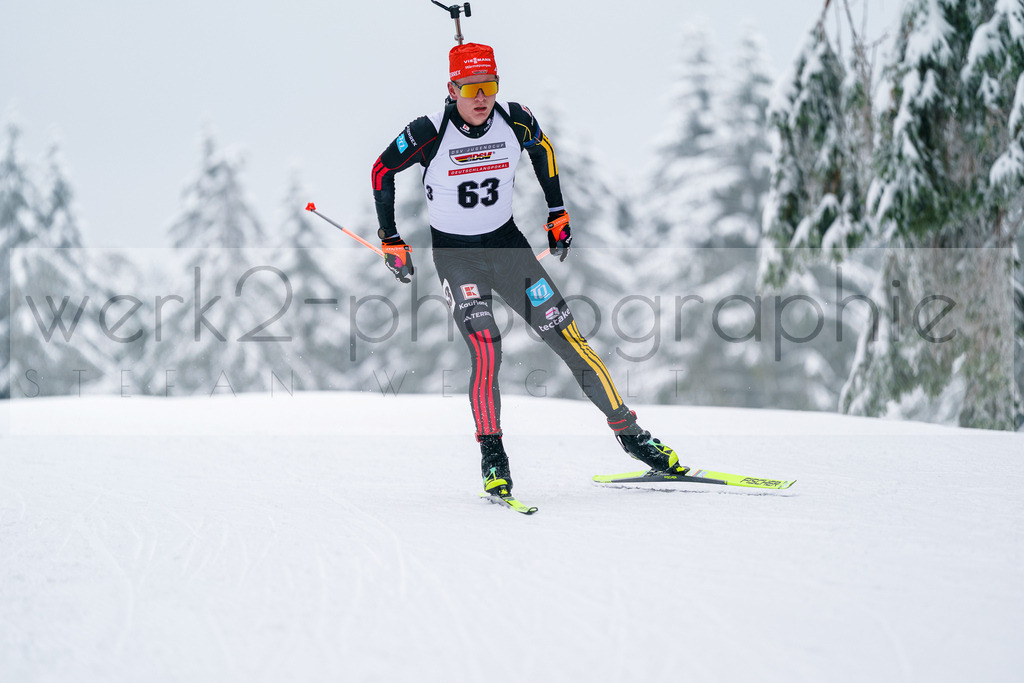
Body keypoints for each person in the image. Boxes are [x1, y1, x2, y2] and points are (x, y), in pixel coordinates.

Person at [371, 42, 684, 497]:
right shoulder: (429, 131)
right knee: (487, 346)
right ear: (452, 89)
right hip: (457, 259)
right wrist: (390, 238)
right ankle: (493, 455)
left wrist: (557, 213)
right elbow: (381, 170)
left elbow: (544, 149)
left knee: (569, 339)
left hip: (508, 250)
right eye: (471, 88)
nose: (482, 97)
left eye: (490, 86)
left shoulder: (514, 119)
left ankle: (632, 435)